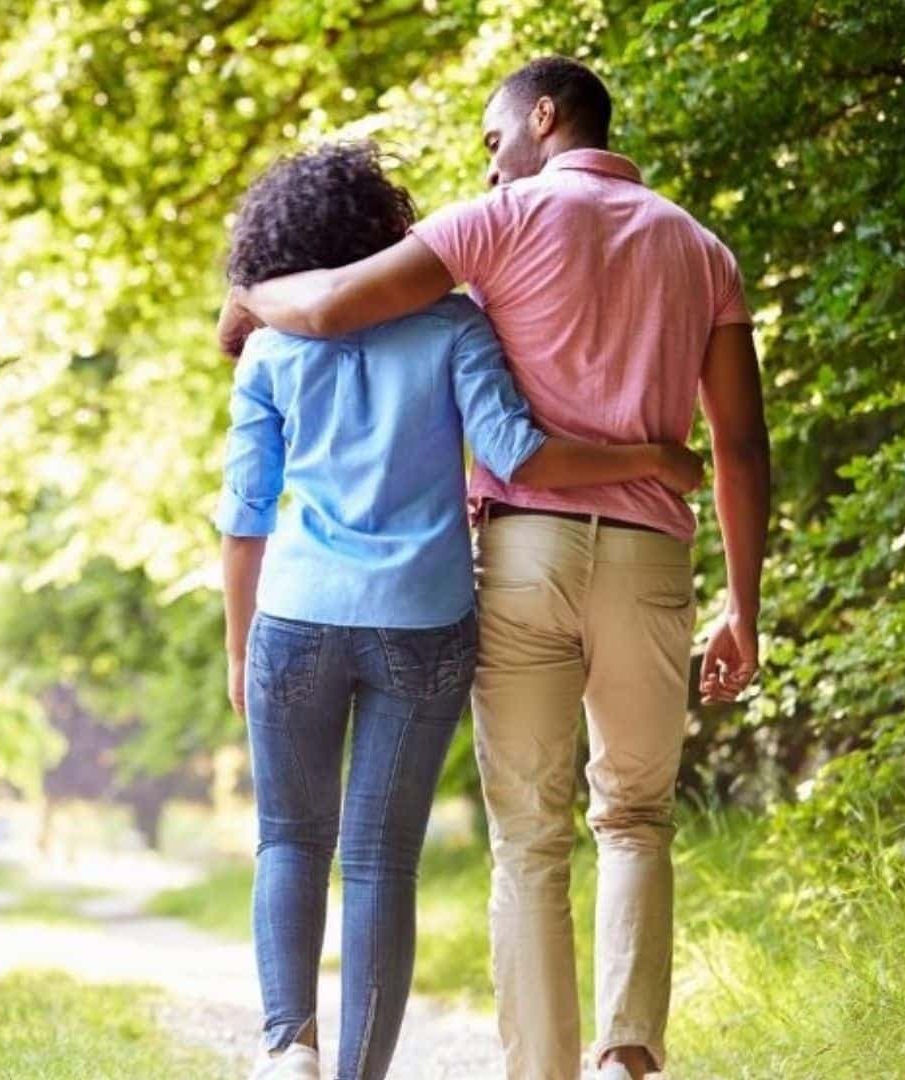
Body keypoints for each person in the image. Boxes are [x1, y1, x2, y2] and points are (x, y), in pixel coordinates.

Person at [217, 57, 771, 1080]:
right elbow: (739, 446)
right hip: (646, 558)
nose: (488, 163)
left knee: (525, 837)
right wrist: (742, 603)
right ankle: (628, 1058)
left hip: (513, 553)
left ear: (543, 119)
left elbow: (335, 310)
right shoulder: (701, 248)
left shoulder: (496, 225)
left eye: (491, 139)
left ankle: (523, 1070)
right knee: (636, 816)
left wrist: (246, 292)